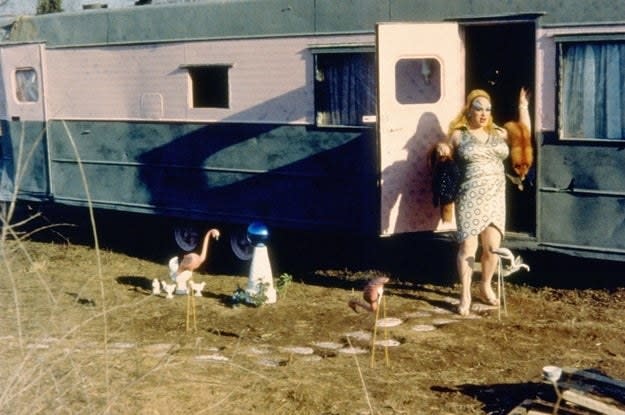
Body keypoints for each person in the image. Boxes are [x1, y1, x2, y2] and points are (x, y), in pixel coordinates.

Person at [438, 88, 530, 316]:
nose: (483, 114)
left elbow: (524, 134)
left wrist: (523, 108)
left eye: (488, 109)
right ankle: (465, 294)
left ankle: (485, 285)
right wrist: (440, 149)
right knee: (468, 246)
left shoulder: (499, 132)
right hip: (469, 194)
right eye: (478, 109)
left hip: (495, 195)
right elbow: (445, 153)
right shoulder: (459, 134)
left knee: (492, 248)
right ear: (469, 110)